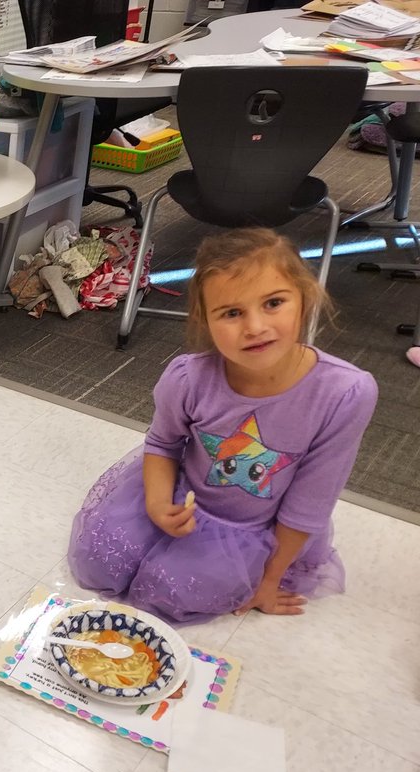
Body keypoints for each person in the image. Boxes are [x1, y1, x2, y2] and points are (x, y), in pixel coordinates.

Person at [68, 228, 377, 624]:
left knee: (168, 591)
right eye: (232, 313)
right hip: (183, 493)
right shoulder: (187, 377)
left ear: (305, 298)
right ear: (205, 320)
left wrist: (269, 580)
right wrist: (158, 503)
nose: (254, 327)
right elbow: (162, 444)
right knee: (101, 562)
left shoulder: (346, 393)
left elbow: (310, 503)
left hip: (254, 530)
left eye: (273, 303)